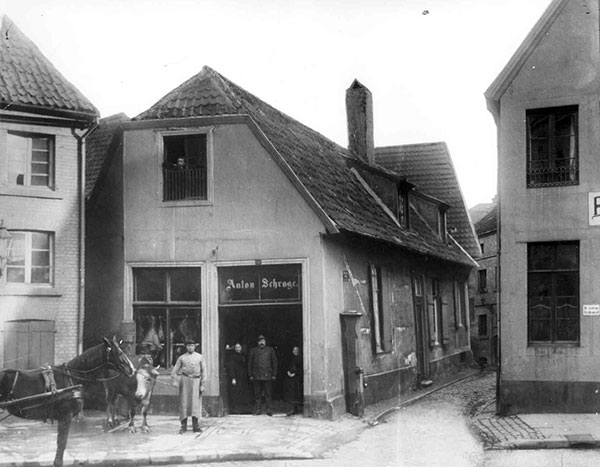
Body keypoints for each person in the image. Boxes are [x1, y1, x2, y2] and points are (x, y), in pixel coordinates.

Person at [171, 339, 206, 433]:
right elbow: (174, 371)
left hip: (196, 381)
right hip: (185, 381)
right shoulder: (182, 358)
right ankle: (183, 426)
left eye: (192, 346)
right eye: (189, 346)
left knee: (195, 404)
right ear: (186, 347)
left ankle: (196, 426)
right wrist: (176, 381)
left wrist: (203, 384)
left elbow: (204, 371)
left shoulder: (200, 357)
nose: (190, 347)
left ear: (195, 347)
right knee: (184, 403)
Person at [248, 334, 278, 416]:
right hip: (256, 375)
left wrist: (274, 374)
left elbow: (274, 362)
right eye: (260, 341)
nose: (262, 342)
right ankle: (258, 410)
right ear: (258, 342)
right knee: (257, 394)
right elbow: (250, 363)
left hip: (267, 375)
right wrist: (250, 374)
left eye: (263, 341)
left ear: (265, 342)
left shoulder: (270, 350)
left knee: (268, 394)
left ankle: (269, 410)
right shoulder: (253, 350)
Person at [226, 342, 250, 413]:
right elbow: (231, 367)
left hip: (243, 377)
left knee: (243, 393)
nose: (238, 349)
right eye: (236, 347)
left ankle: (244, 410)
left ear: (241, 348)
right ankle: (236, 410)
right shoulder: (232, 357)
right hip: (237, 377)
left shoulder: (243, 356)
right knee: (236, 393)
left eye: (239, 347)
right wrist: (233, 378)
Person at [284, 346, 303, 416]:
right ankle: (293, 408)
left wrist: (295, 373)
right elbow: (288, 366)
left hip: (297, 378)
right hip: (291, 378)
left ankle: (295, 409)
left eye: (296, 350)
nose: (295, 351)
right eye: (294, 350)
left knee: (296, 393)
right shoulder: (291, 358)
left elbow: (301, 368)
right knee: (291, 393)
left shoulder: (300, 359)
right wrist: (288, 372)